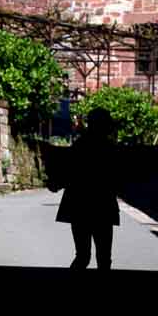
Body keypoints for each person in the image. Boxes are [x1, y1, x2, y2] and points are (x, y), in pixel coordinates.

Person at [47, 108, 120, 270]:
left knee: (82, 256)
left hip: (79, 206)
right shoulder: (109, 148)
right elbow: (118, 178)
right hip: (103, 206)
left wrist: (55, 184)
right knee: (104, 258)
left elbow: (68, 172)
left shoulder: (80, 145)